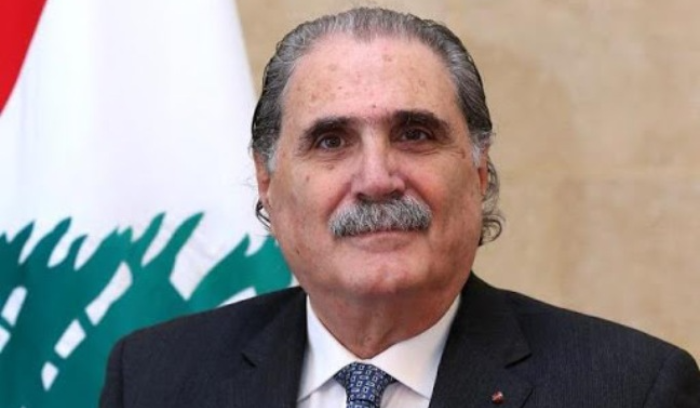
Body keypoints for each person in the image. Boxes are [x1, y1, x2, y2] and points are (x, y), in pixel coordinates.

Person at [100, 7, 700, 408]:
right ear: (267, 184)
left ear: (479, 170)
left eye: (414, 134)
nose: (377, 180)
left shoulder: (631, 389)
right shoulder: (154, 379)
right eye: (331, 141)